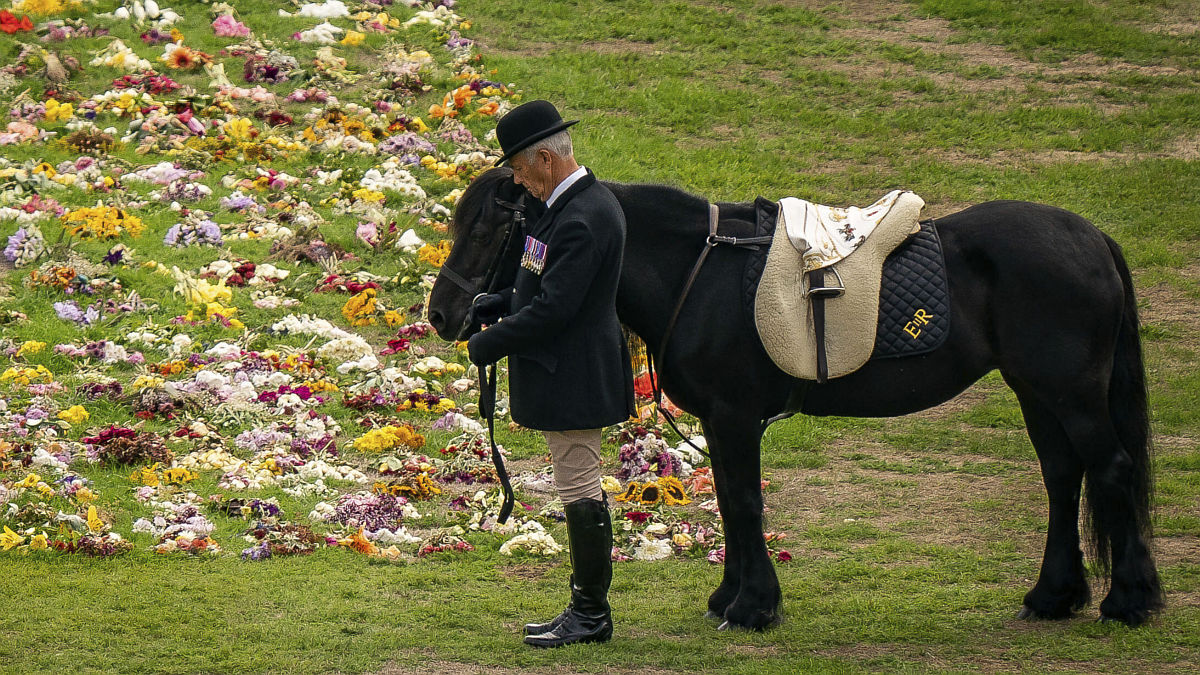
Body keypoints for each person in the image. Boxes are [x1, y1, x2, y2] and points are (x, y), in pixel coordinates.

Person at [466, 100, 635, 648]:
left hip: (576, 373)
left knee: (580, 487)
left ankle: (590, 613)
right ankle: (587, 609)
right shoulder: (564, 208)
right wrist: (499, 300)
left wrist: (489, 343)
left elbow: (556, 310)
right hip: (566, 368)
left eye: (518, 170)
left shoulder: (585, 217)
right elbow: (539, 281)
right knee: (574, 484)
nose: (519, 181)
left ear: (545, 157)